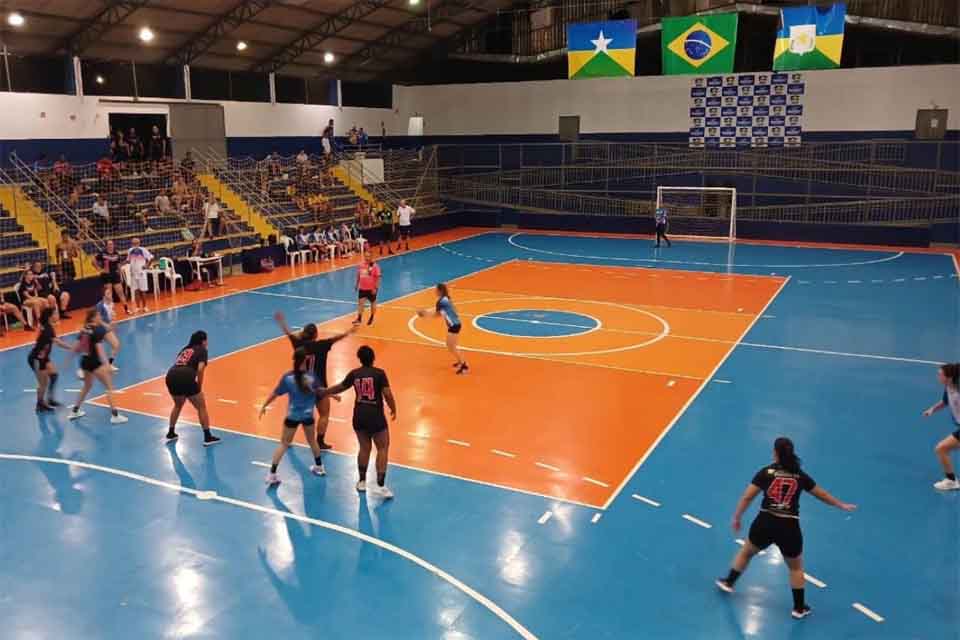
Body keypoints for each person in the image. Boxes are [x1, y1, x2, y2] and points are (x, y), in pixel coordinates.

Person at [715, 437, 856, 620]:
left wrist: (737, 517)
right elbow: (820, 494)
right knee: (795, 568)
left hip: (764, 522)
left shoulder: (766, 472)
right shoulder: (799, 475)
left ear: (775, 453)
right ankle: (799, 608)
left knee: (746, 552)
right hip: (789, 527)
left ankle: (728, 582)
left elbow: (747, 497)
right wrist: (840, 504)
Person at [317, 345, 397, 498]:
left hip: (359, 415)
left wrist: (325, 391)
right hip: (375, 415)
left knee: (364, 448)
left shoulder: (354, 374)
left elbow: (340, 387)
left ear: (359, 359)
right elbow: (387, 394)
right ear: (373, 358)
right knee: (382, 448)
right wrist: (394, 408)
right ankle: (380, 486)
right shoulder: (379, 374)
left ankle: (361, 482)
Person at [274, 311, 356, 450]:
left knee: (295, 413)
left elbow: (288, 333)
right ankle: (320, 441)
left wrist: (282, 321)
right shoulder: (322, 345)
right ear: (316, 335)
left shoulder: (298, 344)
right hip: (319, 387)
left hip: (301, 385)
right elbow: (336, 338)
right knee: (324, 414)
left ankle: (287, 440)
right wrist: (349, 332)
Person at [259, 348, 328, 485]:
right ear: (305, 360)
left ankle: (272, 474)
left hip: (292, 416)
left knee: (284, 444)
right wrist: (333, 395)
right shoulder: (312, 377)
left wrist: (264, 405)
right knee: (312, 442)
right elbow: (321, 391)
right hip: (308, 415)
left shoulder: (288, 378)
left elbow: (275, 393)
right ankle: (319, 467)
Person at [68, 308, 128, 424]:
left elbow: (77, 347)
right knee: (109, 387)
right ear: (94, 317)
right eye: (98, 315)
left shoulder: (85, 329)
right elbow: (100, 350)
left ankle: (75, 411)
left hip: (84, 362)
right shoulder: (97, 330)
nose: (100, 316)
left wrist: (68, 360)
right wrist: (107, 365)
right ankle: (115, 415)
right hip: (95, 363)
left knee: (87, 386)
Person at [164, 330, 220, 446]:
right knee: (201, 406)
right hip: (186, 376)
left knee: (178, 405)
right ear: (203, 341)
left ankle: (171, 432)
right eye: (206, 340)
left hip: (171, 376)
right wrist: (199, 386)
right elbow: (200, 369)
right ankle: (207, 436)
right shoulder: (202, 350)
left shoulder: (185, 349)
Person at [922, 362, 960, 491]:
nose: (938, 377)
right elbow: (945, 401)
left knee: (941, 448)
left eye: (940, 374)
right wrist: (932, 410)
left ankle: (951, 481)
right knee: (942, 449)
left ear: (949, 377)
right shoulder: (949, 387)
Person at [418, 283, 468, 374]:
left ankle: (464, 365)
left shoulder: (441, 301)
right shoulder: (446, 298)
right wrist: (426, 312)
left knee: (451, 347)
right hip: (456, 323)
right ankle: (460, 361)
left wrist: (425, 314)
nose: (435, 291)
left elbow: (436, 315)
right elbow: (440, 311)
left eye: (436, 290)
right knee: (452, 346)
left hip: (454, 325)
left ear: (440, 291)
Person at [28, 308, 71, 412]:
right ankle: (40, 404)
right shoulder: (47, 329)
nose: (57, 315)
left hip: (43, 357)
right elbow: (58, 342)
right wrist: (72, 348)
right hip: (37, 359)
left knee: (54, 375)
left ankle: (50, 399)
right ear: (50, 317)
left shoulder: (48, 327)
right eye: (55, 313)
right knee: (43, 383)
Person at [95, 239, 130, 314]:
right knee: (109, 293)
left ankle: (126, 309)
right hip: (106, 275)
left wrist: (120, 275)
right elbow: (93, 261)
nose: (111, 246)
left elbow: (118, 265)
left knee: (120, 292)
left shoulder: (116, 253)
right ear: (106, 245)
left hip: (115, 275)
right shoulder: (102, 253)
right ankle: (110, 310)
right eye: (109, 244)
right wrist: (100, 269)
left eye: (112, 244)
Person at [126, 237, 154, 313]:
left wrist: (147, 266)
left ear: (139, 243)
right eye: (133, 243)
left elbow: (151, 257)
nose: (135, 244)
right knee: (136, 290)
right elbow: (128, 261)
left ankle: (145, 306)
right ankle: (138, 307)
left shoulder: (143, 250)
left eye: (136, 243)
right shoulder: (130, 250)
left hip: (141, 273)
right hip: (133, 274)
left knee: (143, 290)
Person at [354, 255, 381, 326]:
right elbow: (358, 275)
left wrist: (376, 288)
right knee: (360, 303)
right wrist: (356, 284)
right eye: (366, 256)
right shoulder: (361, 265)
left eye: (368, 256)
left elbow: (378, 277)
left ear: (371, 257)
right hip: (362, 288)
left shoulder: (375, 266)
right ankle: (359, 318)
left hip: (371, 289)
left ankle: (371, 317)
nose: (367, 258)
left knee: (373, 303)